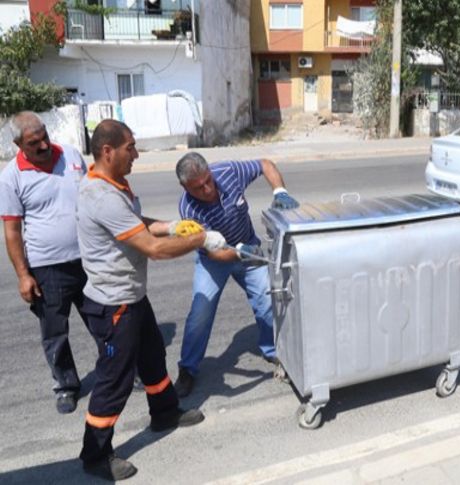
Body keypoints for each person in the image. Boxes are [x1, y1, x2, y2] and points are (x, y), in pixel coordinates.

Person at [76, 120, 227, 481]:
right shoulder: (100, 196)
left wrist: (172, 225)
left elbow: (136, 223)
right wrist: (199, 240)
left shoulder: (115, 186)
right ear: (108, 151)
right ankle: (95, 454)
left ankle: (165, 413)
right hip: (114, 304)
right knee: (115, 379)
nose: (136, 154)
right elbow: (154, 250)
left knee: (153, 357)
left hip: (131, 297)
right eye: (131, 147)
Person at [173, 151, 299, 397]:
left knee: (267, 299)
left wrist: (279, 191)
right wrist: (238, 253)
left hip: (248, 247)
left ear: (210, 171)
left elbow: (265, 163)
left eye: (208, 181)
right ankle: (188, 369)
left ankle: (273, 350)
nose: (207, 190)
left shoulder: (229, 172)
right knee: (200, 313)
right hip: (215, 259)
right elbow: (214, 254)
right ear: (184, 187)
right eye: (198, 188)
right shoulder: (187, 208)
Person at [0, 111, 90, 414]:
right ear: (18, 145)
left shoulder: (73, 155)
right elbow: (12, 231)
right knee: (54, 332)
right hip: (47, 268)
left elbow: (94, 196)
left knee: (107, 322)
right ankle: (66, 385)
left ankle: (122, 372)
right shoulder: (11, 177)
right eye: (33, 142)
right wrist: (23, 275)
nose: (43, 146)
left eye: (44, 137)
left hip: (89, 259)